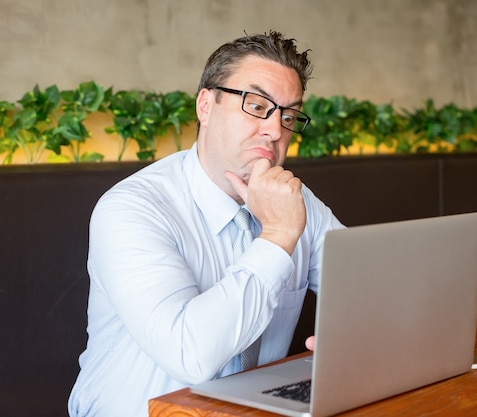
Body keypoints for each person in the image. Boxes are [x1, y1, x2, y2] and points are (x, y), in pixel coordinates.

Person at [68, 31, 344, 417]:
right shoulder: (132, 209)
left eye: (288, 114)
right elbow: (189, 356)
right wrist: (278, 237)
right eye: (256, 104)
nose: (276, 130)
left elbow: (366, 288)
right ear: (205, 105)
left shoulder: (296, 202)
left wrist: (357, 336)